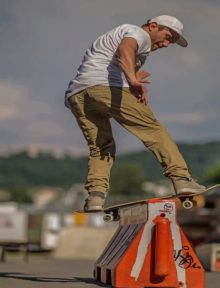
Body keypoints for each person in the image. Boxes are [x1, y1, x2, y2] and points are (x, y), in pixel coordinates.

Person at [65, 15, 206, 212]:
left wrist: (132, 76)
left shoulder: (120, 35)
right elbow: (126, 49)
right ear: (153, 26)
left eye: (171, 42)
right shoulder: (137, 33)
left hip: (78, 94)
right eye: (167, 36)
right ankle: (181, 179)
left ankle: (95, 197)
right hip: (105, 88)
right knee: (153, 130)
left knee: (101, 146)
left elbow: (112, 60)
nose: (166, 44)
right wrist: (132, 80)